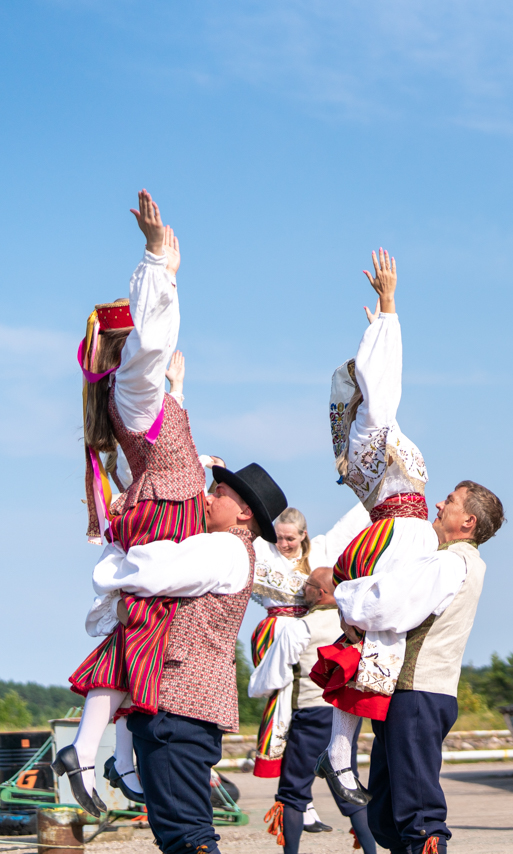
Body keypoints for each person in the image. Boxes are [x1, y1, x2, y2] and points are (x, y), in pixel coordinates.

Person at [59, 192, 208, 816]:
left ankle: (112, 759)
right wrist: (156, 265)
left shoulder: (137, 398)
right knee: (142, 637)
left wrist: (177, 388)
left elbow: (159, 433)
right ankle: (96, 755)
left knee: (147, 640)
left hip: (166, 507)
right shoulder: (133, 389)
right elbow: (149, 347)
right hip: (166, 513)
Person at [309, 249, 435, 804]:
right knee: (378, 641)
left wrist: (377, 338)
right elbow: (385, 388)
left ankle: (340, 758)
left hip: (390, 532)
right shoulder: (371, 425)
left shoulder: (369, 434)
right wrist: (388, 310)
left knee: (371, 643)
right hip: (394, 533)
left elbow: (383, 389)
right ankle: (340, 758)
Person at [120, 462, 288, 854]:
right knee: (182, 831)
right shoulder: (231, 548)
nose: (209, 497)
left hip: (179, 703)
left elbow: (148, 572)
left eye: (220, 492)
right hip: (190, 703)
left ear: (244, 512)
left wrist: (119, 550)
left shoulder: (225, 545)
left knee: (186, 836)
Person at [333, 478, 503, 854]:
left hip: (417, 696)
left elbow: (387, 606)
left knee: (418, 816)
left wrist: (343, 593)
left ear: (468, 521)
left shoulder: (446, 562)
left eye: (451, 501)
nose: (439, 505)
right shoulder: (467, 563)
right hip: (424, 695)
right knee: (386, 814)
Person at [251, 566, 377, 854]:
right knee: (347, 781)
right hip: (344, 712)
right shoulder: (354, 623)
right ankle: (371, 851)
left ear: (320, 593)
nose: (301, 589)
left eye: (306, 585)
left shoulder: (301, 626)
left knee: (293, 792)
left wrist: (257, 690)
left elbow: (274, 676)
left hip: (309, 712)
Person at [248, 503, 369, 778]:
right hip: (276, 632)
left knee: (303, 702)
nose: (283, 544)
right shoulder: (265, 550)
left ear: (303, 535)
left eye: (290, 538)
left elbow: (350, 524)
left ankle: (305, 800)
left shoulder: (321, 550)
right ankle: (279, 769)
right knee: (280, 702)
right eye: (278, 537)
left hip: (309, 631)